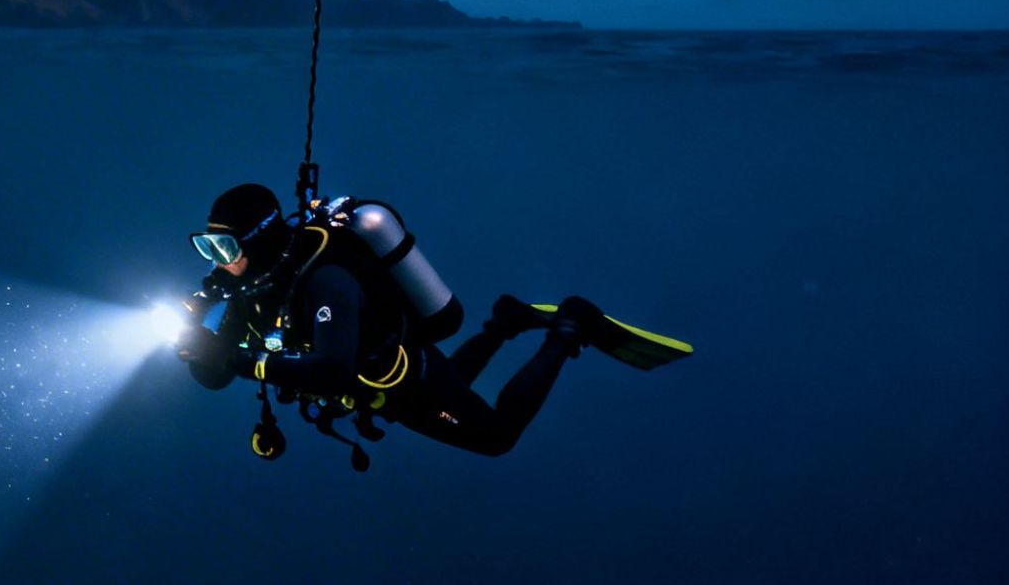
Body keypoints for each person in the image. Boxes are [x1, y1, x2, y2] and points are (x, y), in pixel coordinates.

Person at [175, 183, 688, 463]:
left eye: (225, 246)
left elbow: (330, 370)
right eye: (209, 246)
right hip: (383, 390)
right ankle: (504, 325)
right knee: (456, 387)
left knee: (496, 436)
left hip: (404, 377)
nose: (218, 260)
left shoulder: (325, 280)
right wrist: (198, 347)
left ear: (260, 240)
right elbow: (218, 374)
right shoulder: (252, 290)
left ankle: (569, 328)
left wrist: (244, 362)